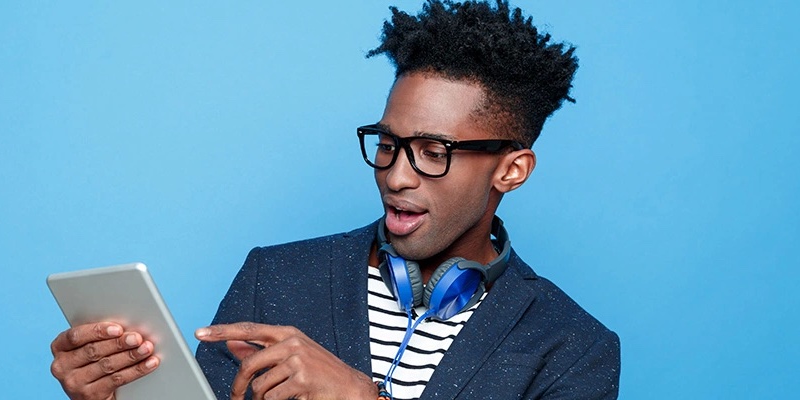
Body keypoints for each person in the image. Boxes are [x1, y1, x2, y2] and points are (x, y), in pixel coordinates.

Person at [49, 1, 620, 399]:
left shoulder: (573, 346)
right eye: (389, 144)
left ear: (511, 170)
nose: (396, 176)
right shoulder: (274, 275)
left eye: (433, 151)